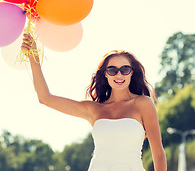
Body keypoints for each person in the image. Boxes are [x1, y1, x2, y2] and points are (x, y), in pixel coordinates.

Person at [21, 33, 167, 171]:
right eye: (112, 70)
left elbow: (158, 154)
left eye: (125, 69)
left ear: (132, 72)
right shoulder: (94, 109)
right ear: (105, 74)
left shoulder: (143, 103)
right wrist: (33, 57)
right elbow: (45, 98)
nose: (119, 74)